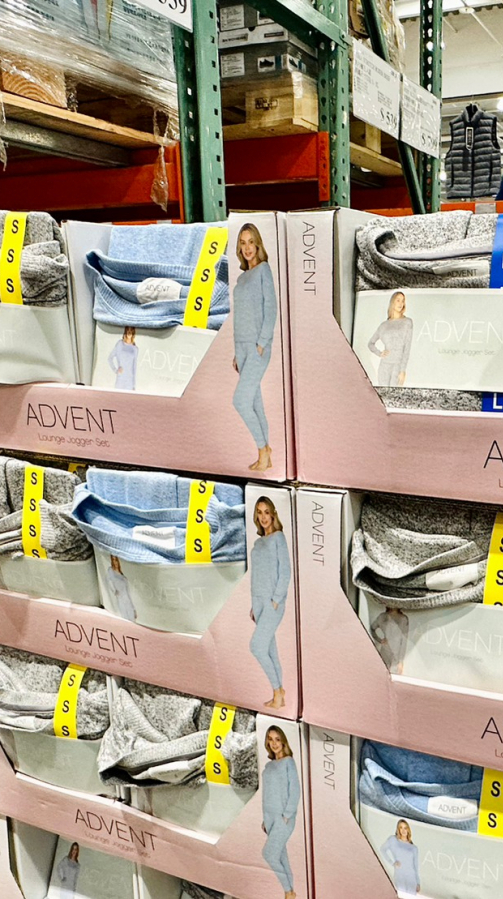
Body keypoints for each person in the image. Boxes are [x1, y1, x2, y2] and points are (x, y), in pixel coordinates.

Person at [231, 223, 278, 472]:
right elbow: (240, 315)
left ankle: (262, 451)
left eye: (251, 242)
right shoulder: (242, 278)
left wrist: (262, 342)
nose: (247, 247)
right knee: (255, 403)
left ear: (258, 244)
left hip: (258, 346)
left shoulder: (263, 270)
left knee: (240, 401)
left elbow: (271, 308)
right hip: (242, 348)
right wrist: (236, 351)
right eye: (243, 243)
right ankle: (266, 453)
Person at [250, 497, 291, 709]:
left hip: (273, 602)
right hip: (258, 603)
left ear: (273, 514)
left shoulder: (279, 538)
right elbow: (257, 574)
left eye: (267, 512)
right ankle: (280, 693)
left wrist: (277, 599)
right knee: (270, 649)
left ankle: (276, 691)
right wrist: (253, 604)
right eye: (259, 512)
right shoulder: (258, 543)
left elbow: (285, 571)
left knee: (256, 646)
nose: (263, 517)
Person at [261, 727, 300, 899]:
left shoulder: (288, 762)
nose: (274, 743)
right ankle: (291, 892)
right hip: (269, 819)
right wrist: (265, 820)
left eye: (277, 739)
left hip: (284, 818)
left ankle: (287, 891)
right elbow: (267, 793)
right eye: (270, 739)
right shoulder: (269, 766)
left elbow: (295, 790)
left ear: (283, 741)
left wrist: (287, 814)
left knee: (269, 854)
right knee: (281, 857)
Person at [366, 292, 414, 387]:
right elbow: (370, 343)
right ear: (393, 302)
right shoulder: (384, 325)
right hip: (384, 366)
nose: (401, 303)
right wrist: (379, 353)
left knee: (394, 393)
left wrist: (403, 370)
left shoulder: (407, 322)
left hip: (397, 365)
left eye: (403, 301)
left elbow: (407, 347)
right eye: (398, 300)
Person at [381, 819, 420, 895]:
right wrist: (392, 862)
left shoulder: (413, 848)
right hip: (399, 876)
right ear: (398, 829)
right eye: (401, 828)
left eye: (405, 828)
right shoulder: (393, 840)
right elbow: (382, 849)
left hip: (411, 878)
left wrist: (418, 882)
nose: (403, 830)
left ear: (408, 830)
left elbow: (416, 866)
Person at [370, 607, 409, 674]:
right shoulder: (382, 617)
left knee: (393, 674)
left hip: (396, 653)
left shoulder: (403, 619)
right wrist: (379, 640)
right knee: (382, 673)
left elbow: (404, 641)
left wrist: (401, 661)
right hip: (385, 651)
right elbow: (372, 629)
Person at [105, 554, 135, 621]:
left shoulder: (122, 575)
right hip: (120, 598)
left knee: (131, 617)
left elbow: (128, 592)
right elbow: (108, 580)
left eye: (116, 560)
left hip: (127, 599)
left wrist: (133, 608)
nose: (115, 562)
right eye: (113, 560)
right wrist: (114, 590)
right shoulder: (110, 571)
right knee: (125, 617)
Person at [108, 326, 138, 391]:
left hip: (130, 382)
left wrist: (133, 385)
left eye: (131, 331)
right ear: (125, 332)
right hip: (120, 379)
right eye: (128, 330)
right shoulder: (120, 344)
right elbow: (110, 358)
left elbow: (134, 367)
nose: (129, 332)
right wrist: (116, 370)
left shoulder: (135, 349)